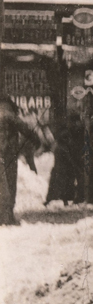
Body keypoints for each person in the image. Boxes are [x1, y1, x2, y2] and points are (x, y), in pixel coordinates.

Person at [0, 96, 42, 225]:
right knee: (10, 185)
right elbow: (25, 129)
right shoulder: (9, 114)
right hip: (8, 154)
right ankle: (7, 217)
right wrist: (37, 141)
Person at [45, 112, 84, 206]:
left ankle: (58, 198)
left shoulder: (70, 131)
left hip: (66, 159)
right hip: (65, 159)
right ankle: (62, 198)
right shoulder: (70, 132)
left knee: (62, 180)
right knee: (65, 180)